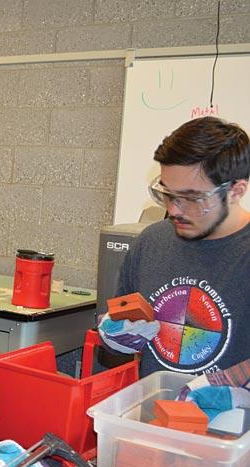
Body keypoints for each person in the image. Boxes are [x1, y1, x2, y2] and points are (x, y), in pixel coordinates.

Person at [99, 116, 250, 379]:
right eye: (168, 193)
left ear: (236, 191)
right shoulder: (152, 242)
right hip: (154, 412)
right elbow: (123, 316)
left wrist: (238, 389)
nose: (173, 210)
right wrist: (115, 335)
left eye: (192, 198)